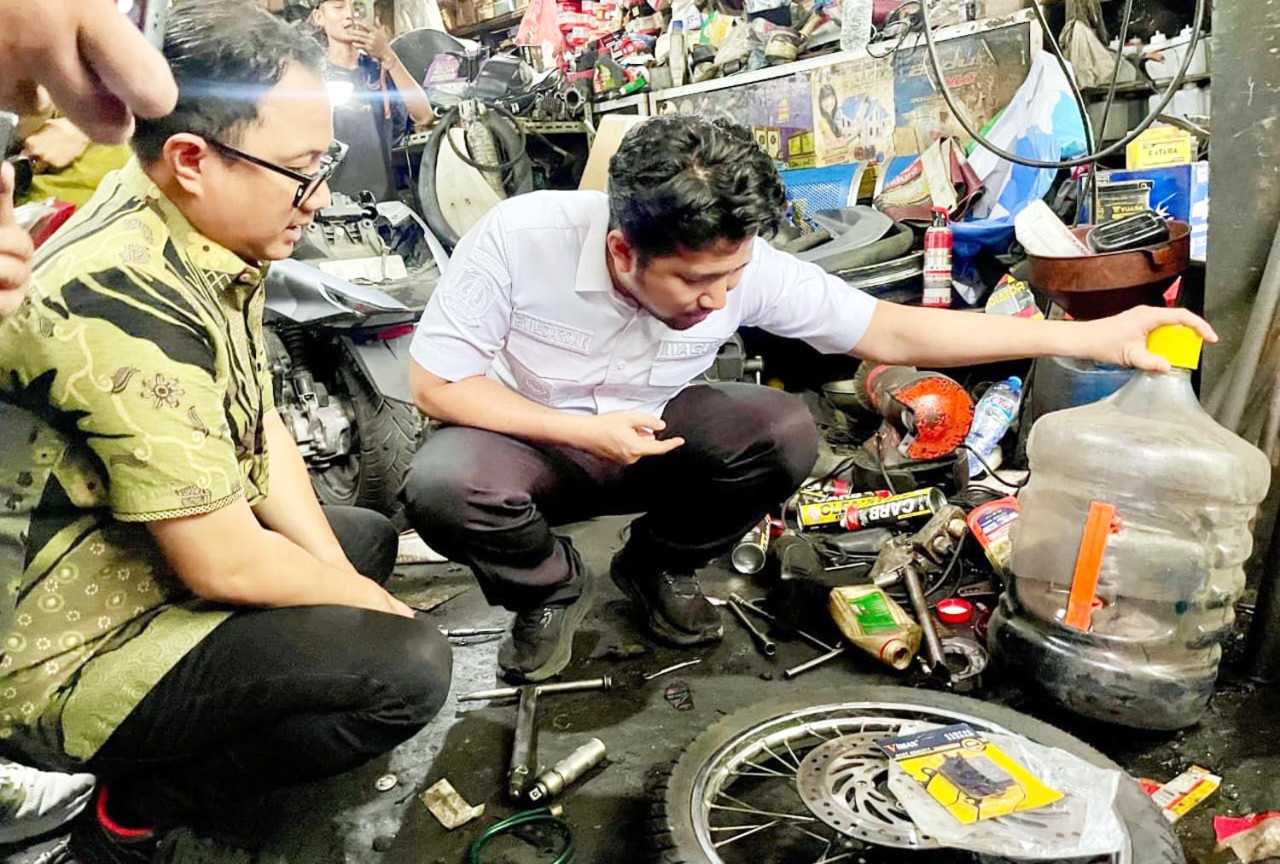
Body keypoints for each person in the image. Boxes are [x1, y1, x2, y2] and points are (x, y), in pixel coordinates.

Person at [401, 114, 1215, 684]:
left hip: (650, 438)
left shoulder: (739, 267)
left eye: (732, 278)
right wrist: (577, 429)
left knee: (782, 429)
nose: (718, 302)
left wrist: (1091, 338)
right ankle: (549, 590)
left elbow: (892, 333)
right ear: (623, 247)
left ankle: (656, 567)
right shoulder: (521, 238)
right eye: (693, 280)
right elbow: (435, 382)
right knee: (443, 486)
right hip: (532, 442)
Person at [0, 4, 451, 862]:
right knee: (407, 667)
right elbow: (225, 562)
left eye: (325, 166)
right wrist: (381, 616)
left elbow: (258, 418)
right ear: (191, 160)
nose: (317, 201)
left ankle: (231, 743)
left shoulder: (196, 229)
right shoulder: (119, 294)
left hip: (132, 561)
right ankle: (126, 816)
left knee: (357, 543)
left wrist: (333, 577)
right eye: (298, 172)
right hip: (56, 653)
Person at [312, 0, 436, 201]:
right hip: (333, 203)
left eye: (357, 7)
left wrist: (389, 57)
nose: (350, 14)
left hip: (383, 200)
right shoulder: (312, 74)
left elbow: (424, 115)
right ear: (319, 17)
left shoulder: (377, 69)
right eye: (339, 7)